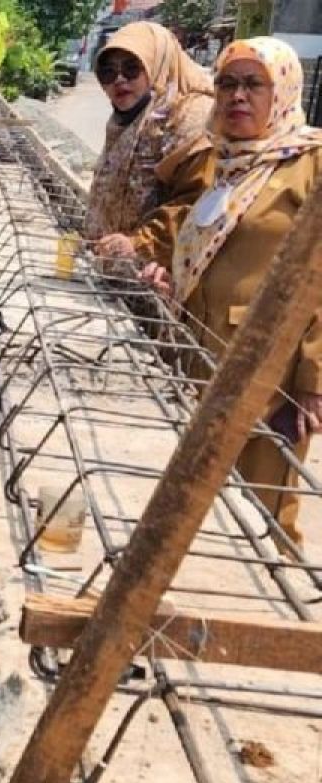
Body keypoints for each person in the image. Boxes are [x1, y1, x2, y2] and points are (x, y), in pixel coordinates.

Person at [142, 37, 322, 548]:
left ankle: (269, 614)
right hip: (199, 346)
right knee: (198, 496)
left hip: (268, 366)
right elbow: (203, 242)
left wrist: (315, 377)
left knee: (262, 507)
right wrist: (169, 276)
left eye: (253, 84)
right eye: (227, 83)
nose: (237, 96)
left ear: (283, 90)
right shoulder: (226, 160)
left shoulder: (309, 164)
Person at [87, 22, 215, 269]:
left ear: (157, 65)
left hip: (159, 278)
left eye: (132, 68)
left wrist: (139, 243)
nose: (119, 80)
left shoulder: (190, 116)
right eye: (108, 72)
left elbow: (195, 204)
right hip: (118, 271)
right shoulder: (129, 117)